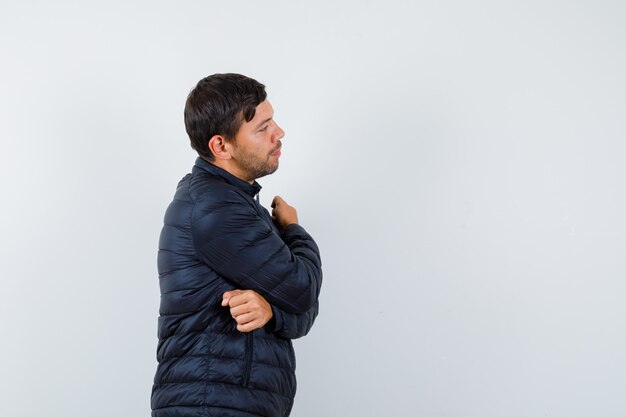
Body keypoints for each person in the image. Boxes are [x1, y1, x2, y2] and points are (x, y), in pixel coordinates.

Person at [151, 73, 323, 417]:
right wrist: (292, 228)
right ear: (221, 146)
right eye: (262, 128)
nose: (279, 133)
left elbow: (303, 310)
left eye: (272, 119)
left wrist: (272, 311)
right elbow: (303, 289)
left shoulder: (236, 203)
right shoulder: (217, 209)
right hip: (210, 405)